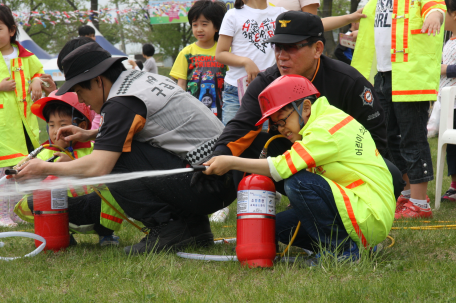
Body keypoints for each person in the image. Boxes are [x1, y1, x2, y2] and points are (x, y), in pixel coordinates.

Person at [14, 38, 236, 254]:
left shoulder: (122, 102)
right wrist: (93, 133)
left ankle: (169, 228)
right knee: (119, 148)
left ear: (98, 81)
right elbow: (152, 129)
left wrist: (44, 168)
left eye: (81, 92)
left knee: (117, 157)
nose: (82, 102)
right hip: (219, 178)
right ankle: (193, 229)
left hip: (209, 183)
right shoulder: (137, 81)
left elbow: (99, 167)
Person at [192, 11, 404, 201]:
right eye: (278, 47)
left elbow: (375, 139)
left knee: (391, 176)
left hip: (341, 163)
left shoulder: (348, 82)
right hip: (291, 158)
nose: (282, 56)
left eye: (292, 48)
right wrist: (218, 157)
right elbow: (241, 126)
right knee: (247, 145)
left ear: (317, 48)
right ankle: (237, 199)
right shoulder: (267, 82)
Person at [204, 75, 395, 262]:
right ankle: (354, 244)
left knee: (297, 183)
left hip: (368, 214)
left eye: (283, 120)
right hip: (360, 206)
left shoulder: (325, 129)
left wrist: (231, 161)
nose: (280, 129)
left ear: (305, 107)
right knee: (278, 227)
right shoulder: (325, 118)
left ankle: (343, 252)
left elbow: (280, 168)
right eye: (276, 124)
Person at [351, 0, 446, 218]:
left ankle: (420, 203)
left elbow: (436, 6)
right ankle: (407, 193)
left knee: (412, 138)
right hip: (382, 74)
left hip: (410, 76)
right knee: (388, 135)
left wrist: (435, 16)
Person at [215, 0, 367, 126]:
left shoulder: (279, 13)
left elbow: (316, 24)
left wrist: (350, 18)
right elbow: (220, 53)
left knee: (264, 140)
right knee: (235, 134)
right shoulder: (233, 15)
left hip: (271, 90)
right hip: (236, 90)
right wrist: (246, 62)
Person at [14, 91, 124, 246]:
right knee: (33, 200)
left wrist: (72, 162)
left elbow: (105, 176)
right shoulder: (43, 154)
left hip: (92, 207)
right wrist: (25, 178)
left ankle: (106, 234)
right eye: (51, 125)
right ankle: (60, 233)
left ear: (83, 126)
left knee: (113, 192)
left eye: (63, 125)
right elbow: (22, 188)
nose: (55, 131)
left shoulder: (95, 150)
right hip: (63, 210)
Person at [0, 5, 44, 227]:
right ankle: (2, 214)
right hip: (3, 127)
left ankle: (16, 210)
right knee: (4, 171)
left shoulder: (26, 56)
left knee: (21, 169)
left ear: (11, 30)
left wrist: (36, 80)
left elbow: (40, 73)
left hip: (26, 125)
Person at [170, 0, 228, 120]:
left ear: (216, 26)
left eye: (204, 24)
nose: (199, 29)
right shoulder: (186, 53)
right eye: (195, 25)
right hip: (194, 114)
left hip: (223, 111)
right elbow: (181, 84)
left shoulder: (225, 51)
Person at [439, 0, 456, 202]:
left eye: (444, 13)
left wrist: (445, 69)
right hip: (447, 103)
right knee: (451, 146)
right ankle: (454, 185)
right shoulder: (448, 40)